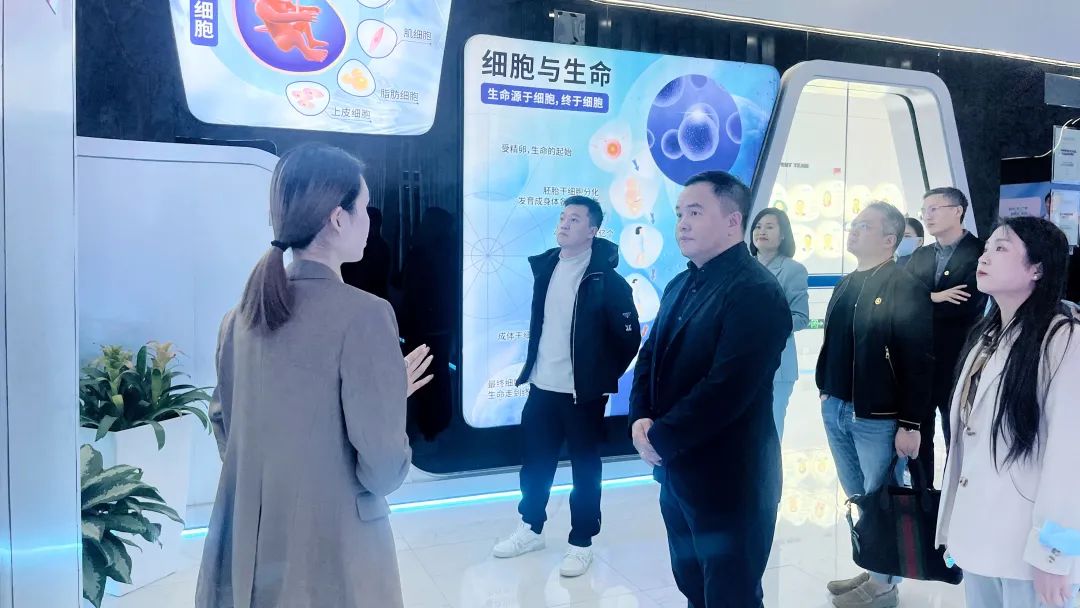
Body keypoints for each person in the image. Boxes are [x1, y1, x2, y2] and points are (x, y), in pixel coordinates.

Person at [196, 144, 433, 608]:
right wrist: (389, 398)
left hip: (244, 544)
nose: (370, 221)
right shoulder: (364, 315)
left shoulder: (238, 318)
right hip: (332, 548)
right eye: (365, 208)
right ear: (338, 218)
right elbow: (383, 470)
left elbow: (226, 425)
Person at [630, 172, 792, 607]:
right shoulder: (680, 283)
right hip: (677, 469)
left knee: (730, 593)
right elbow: (650, 356)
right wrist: (640, 417)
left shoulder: (755, 291)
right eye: (680, 213)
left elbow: (728, 388)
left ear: (732, 221)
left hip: (730, 477)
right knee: (693, 584)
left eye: (696, 212)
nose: (682, 223)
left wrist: (661, 437)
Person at [492, 196, 640, 578]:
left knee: (584, 469)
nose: (564, 223)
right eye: (562, 217)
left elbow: (628, 339)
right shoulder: (547, 268)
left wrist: (597, 377)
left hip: (582, 395)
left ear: (592, 230)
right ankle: (531, 528)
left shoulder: (607, 281)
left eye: (574, 219)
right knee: (535, 464)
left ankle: (581, 541)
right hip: (541, 386)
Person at [936, 217, 1080, 608]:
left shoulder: (1064, 338)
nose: (984, 257)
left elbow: (1070, 455)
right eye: (986, 248)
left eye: (1001, 248)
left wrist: (1054, 554)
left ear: (1037, 269)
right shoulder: (988, 334)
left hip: (1027, 550)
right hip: (980, 535)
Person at [816, 202, 933, 608]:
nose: (853, 230)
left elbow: (919, 360)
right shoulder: (847, 283)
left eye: (864, 226)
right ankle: (874, 567)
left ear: (889, 239)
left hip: (878, 416)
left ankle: (884, 586)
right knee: (859, 496)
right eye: (854, 224)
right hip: (837, 407)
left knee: (882, 498)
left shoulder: (904, 286)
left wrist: (911, 422)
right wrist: (825, 389)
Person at [905, 188, 987, 481]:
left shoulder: (980, 252)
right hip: (920, 359)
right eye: (924, 210)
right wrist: (934, 297)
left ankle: (955, 495)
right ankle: (922, 497)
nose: (927, 216)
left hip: (958, 357)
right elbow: (901, 298)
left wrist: (922, 299)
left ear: (957, 211)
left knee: (957, 432)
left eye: (934, 209)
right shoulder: (921, 255)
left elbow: (964, 303)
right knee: (917, 433)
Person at [750, 207, 810, 439]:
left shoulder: (793, 270)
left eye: (769, 227)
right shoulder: (742, 267)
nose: (761, 231)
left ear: (783, 234)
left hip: (777, 368)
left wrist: (765, 324)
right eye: (757, 226)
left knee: (769, 434)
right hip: (740, 363)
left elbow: (801, 317)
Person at [341, 207, 391, 301]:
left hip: (363, 298)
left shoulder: (366, 246)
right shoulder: (382, 246)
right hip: (372, 298)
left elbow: (360, 277)